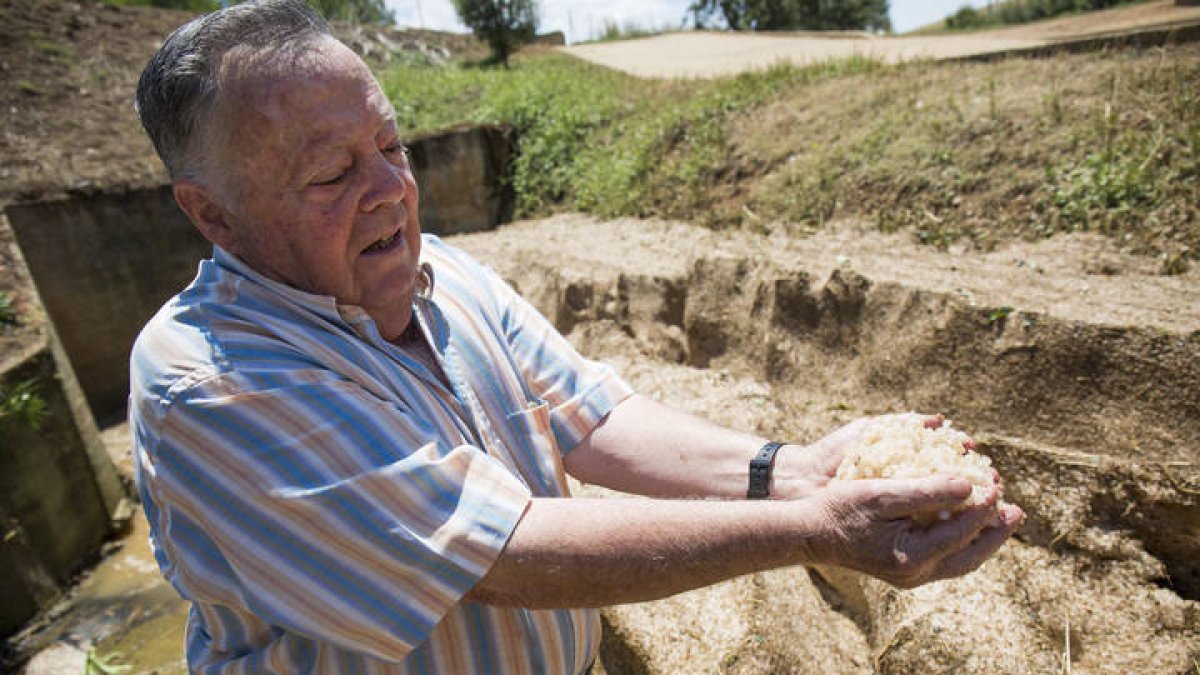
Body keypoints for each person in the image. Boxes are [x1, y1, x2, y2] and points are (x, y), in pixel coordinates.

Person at [129, 1, 1023, 672]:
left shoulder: (445, 270)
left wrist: (796, 469)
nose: (390, 191)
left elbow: (590, 417)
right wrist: (811, 528)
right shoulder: (208, 384)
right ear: (214, 214)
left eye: (391, 146)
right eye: (331, 171)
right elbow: (499, 555)